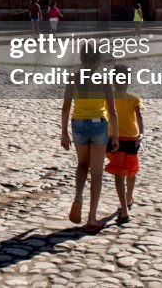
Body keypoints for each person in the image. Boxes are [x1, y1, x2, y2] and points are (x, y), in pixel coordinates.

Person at [61, 50, 119, 232]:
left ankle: (78, 197)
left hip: (78, 124)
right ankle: (92, 217)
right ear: (99, 60)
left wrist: (63, 132)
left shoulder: (74, 78)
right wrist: (115, 135)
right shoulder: (104, 80)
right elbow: (113, 111)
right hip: (98, 125)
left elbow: (65, 107)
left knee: (82, 164)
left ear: (81, 59)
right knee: (96, 172)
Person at [106, 64, 143, 224]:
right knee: (131, 170)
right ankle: (128, 197)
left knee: (119, 173)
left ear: (113, 81)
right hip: (131, 138)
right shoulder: (134, 98)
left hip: (113, 138)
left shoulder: (109, 97)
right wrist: (141, 133)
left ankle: (124, 208)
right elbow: (139, 116)